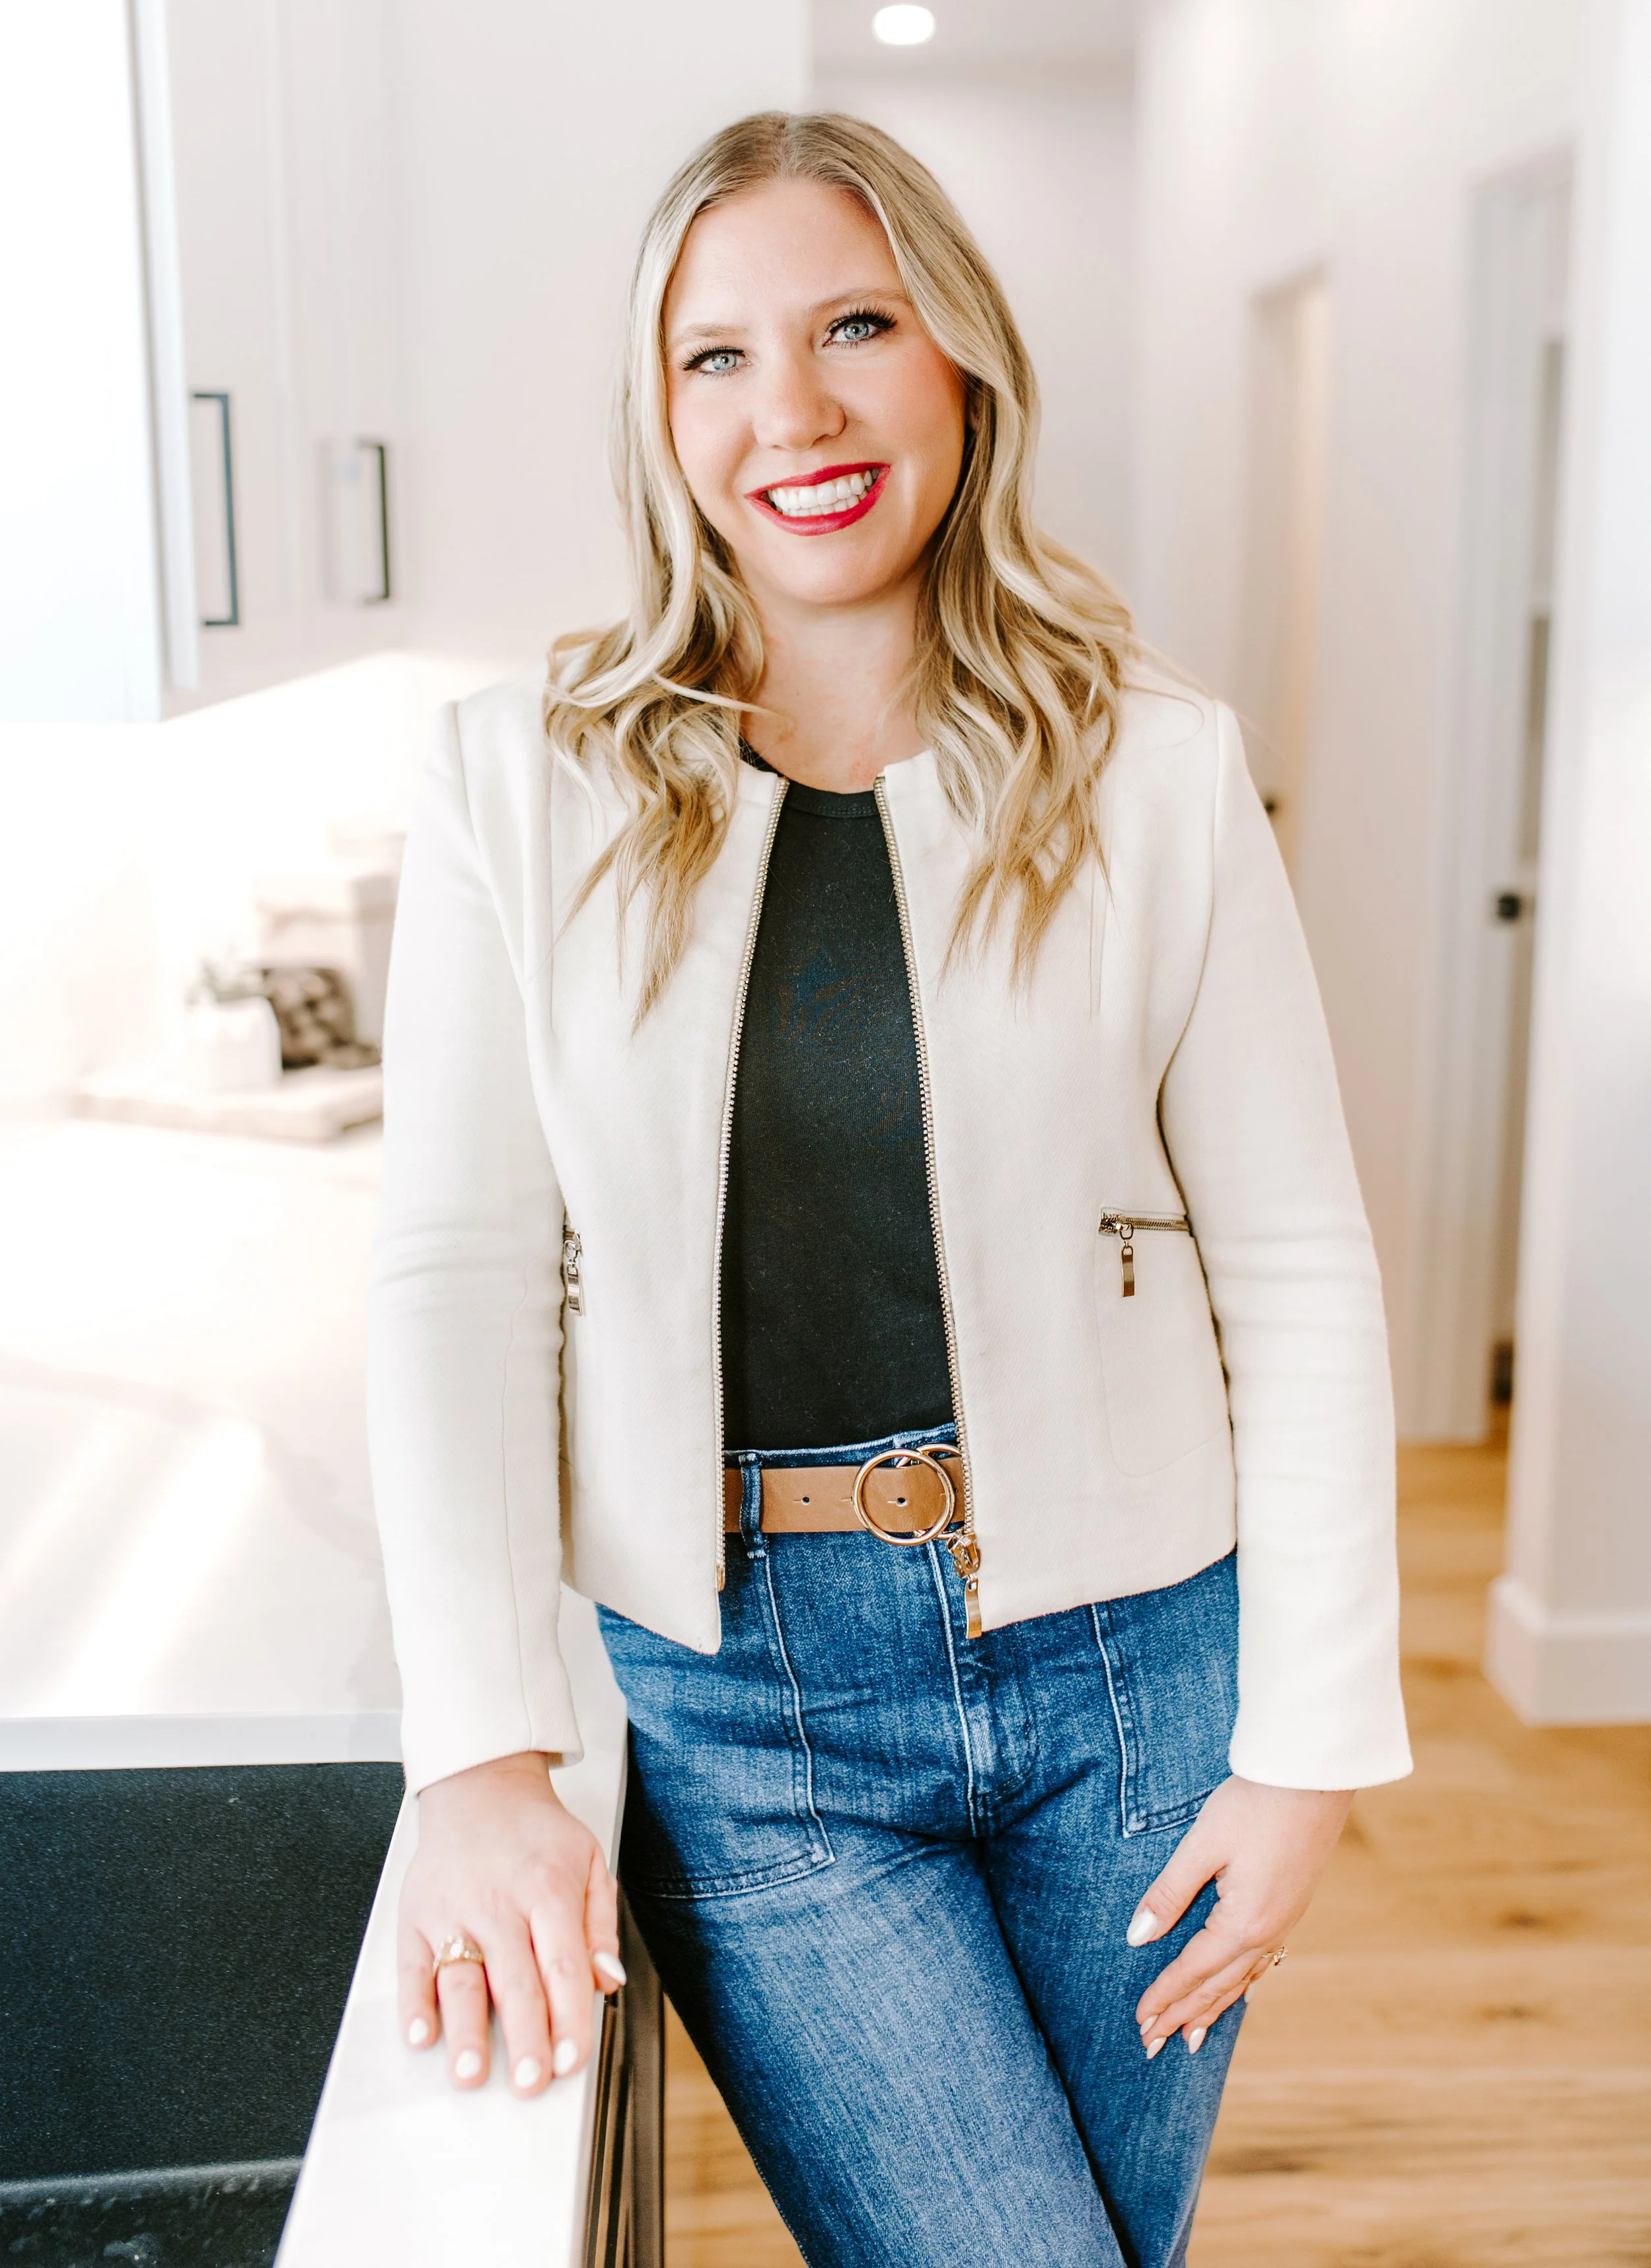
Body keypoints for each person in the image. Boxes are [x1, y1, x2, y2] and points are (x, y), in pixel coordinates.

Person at [367, 112, 1411, 2268]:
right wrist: (474, 1752)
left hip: (1135, 1673)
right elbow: (460, 1273)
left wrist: (1306, 1745)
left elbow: (1296, 1264)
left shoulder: (1155, 765)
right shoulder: (514, 779)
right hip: (751, 1713)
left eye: (856, 325)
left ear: (961, 363)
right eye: (717, 356)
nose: (797, 410)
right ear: (659, 417)